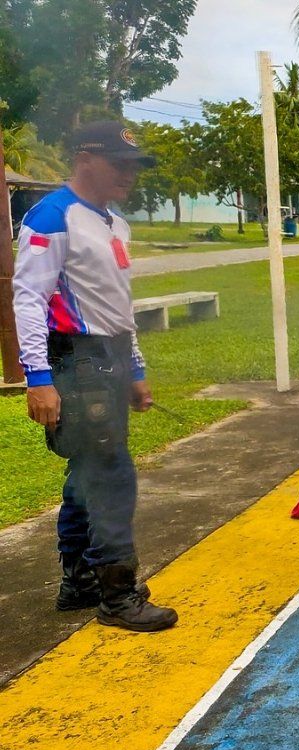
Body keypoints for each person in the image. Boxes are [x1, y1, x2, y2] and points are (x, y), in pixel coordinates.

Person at [12, 121, 177, 632]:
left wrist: (136, 367)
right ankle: (117, 594)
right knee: (111, 476)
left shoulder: (114, 224)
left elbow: (117, 307)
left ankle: (80, 581)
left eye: (134, 164)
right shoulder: (54, 215)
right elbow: (28, 298)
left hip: (109, 357)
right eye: (119, 163)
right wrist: (37, 377)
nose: (130, 174)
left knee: (86, 472)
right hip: (76, 361)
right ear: (86, 159)